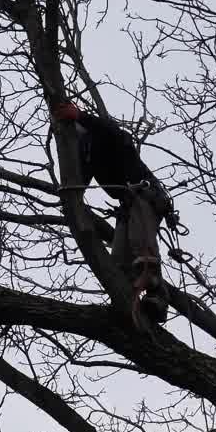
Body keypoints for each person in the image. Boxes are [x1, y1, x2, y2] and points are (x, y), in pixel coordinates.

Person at [51, 101, 175, 325]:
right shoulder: (85, 151)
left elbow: (113, 131)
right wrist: (69, 201)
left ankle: (157, 294)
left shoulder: (103, 133)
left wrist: (80, 116)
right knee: (118, 260)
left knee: (142, 247)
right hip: (126, 204)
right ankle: (133, 302)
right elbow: (79, 182)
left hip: (143, 194)